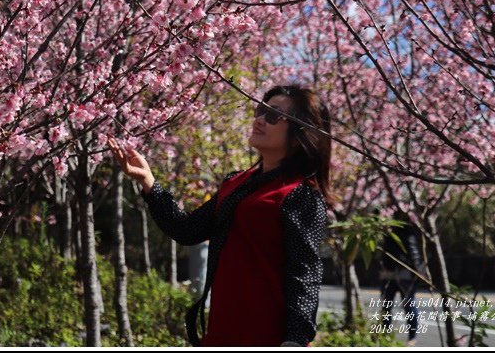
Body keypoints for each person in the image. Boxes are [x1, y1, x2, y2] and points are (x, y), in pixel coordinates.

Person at [107, 84, 334, 347]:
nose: (259, 120)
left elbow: (304, 273)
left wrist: (295, 341)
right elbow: (187, 230)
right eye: (260, 111)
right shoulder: (235, 183)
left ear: (299, 134)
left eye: (273, 115)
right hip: (221, 333)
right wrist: (149, 183)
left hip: (266, 338)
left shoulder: (300, 196)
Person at [379, 211, 425, 347]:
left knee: (405, 304)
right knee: (394, 305)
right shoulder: (395, 229)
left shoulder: (404, 229)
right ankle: (389, 335)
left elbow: (413, 251)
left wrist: (416, 271)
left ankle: (409, 337)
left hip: (402, 271)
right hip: (393, 271)